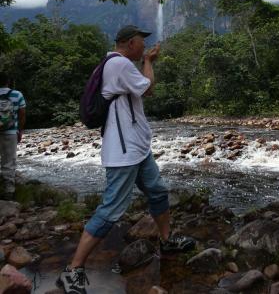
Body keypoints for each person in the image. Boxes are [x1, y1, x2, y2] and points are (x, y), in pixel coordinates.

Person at [58, 25, 195, 294]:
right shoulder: (119, 64)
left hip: (137, 148)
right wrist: (148, 62)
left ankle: (166, 241)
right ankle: (73, 270)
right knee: (110, 210)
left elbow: (145, 90)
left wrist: (145, 62)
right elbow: (149, 89)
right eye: (141, 43)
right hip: (123, 153)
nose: (144, 47)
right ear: (131, 43)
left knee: (157, 191)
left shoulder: (117, 65)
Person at [0, 71, 26, 199]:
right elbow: (22, 114)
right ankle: (8, 191)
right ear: (8, 81)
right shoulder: (17, 94)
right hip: (10, 132)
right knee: (9, 161)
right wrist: (20, 131)